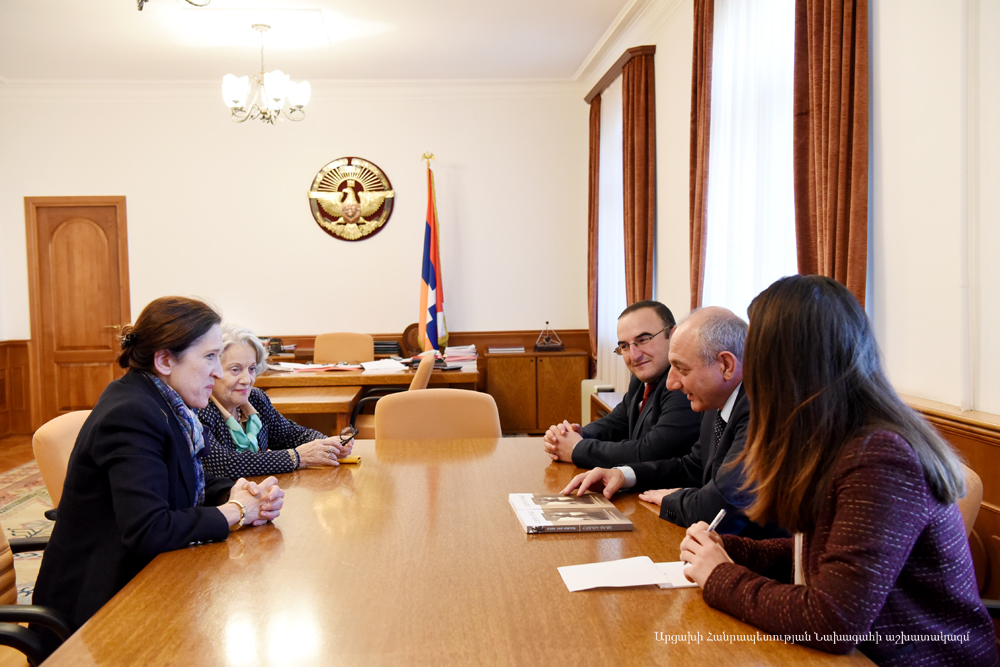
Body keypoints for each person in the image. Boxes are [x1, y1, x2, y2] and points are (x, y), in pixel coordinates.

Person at [680, 276, 998, 665]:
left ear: (785, 366)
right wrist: (731, 550)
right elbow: (825, 558)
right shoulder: (838, 439)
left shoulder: (881, 456)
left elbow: (833, 619)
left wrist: (720, 577)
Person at [33, 297, 285, 633]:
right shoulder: (131, 413)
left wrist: (237, 490)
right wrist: (237, 511)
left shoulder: (164, 403)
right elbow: (148, 530)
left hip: (141, 583)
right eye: (210, 357)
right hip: (99, 612)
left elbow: (180, 476)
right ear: (165, 360)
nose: (218, 371)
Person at [562, 307, 780, 538]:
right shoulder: (713, 400)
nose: (670, 383)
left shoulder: (761, 410)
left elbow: (716, 508)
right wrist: (623, 475)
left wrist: (673, 499)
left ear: (725, 365)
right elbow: (692, 467)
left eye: (682, 369)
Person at [543, 300, 700, 468]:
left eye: (644, 339)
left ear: (673, 335)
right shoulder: (641, 379)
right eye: (624, 346)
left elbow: (652, 452)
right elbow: (618, 421)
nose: (634, 355)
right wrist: (577, 433)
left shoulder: (683, 385)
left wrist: (577, 448)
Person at [197, 323, 354, 478]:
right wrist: (296, 457)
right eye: (235, 369)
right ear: (212, 370)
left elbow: (291, 435)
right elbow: (223, 466)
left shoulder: (255, 398)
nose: (247, 380)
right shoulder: (200, 409)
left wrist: (328, 445)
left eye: (251, 368)